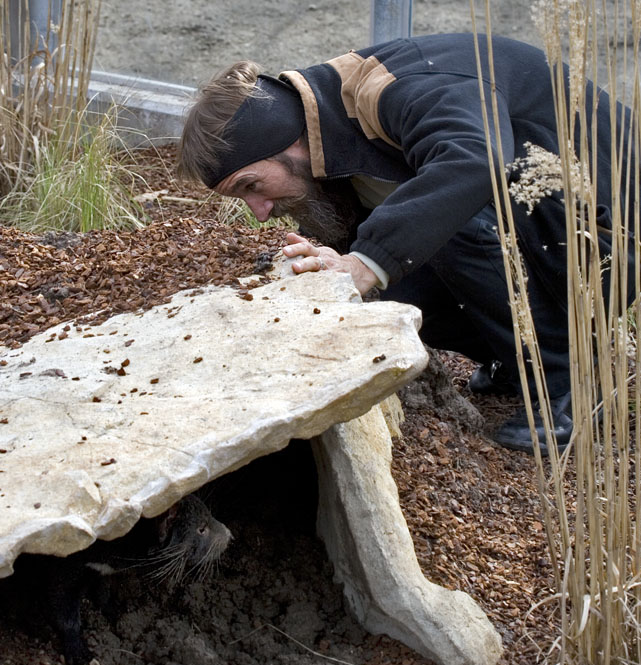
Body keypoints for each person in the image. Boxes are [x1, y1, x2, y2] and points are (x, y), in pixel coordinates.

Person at [177, 33, 636, 455]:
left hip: (611, 232)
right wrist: (344, 265)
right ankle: (514, 359)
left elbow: (476, 159)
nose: (259, 211)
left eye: (251, 185)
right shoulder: (329, 137)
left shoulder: (395, 86)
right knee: (387, 281)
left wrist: (366, 260)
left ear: (284, 141)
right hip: (551, 234)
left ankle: (567, 379)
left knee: (441, 222)